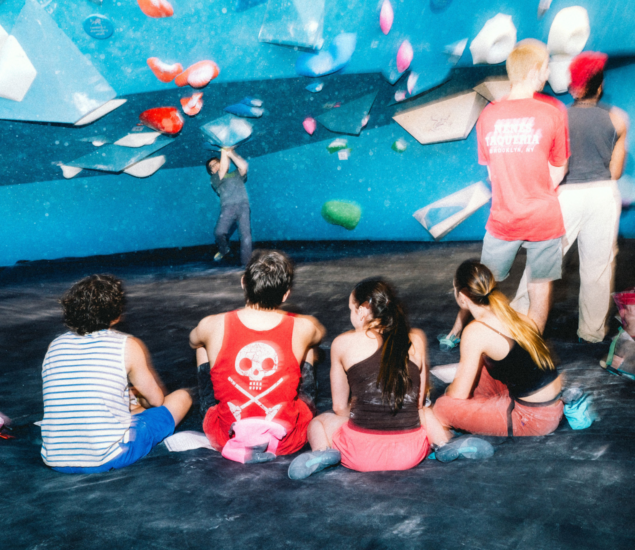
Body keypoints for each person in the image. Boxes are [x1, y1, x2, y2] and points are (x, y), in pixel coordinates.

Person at [441, 40, 570, 350]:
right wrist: (534, 191)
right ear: (537, 70)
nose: (549, 71)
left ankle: (472, 341)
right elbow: (558, 172)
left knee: (482, 287)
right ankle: (530, 354)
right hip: (544, 217)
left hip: (504, 218)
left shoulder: (488, 115)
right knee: (539, 290)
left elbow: (491, 172)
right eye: (547, 66)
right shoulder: (553, 110)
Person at [511, 51, 629, 343]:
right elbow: (615, 171)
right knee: (598, 268)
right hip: (602, 195)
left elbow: (548, 165)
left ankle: (517, 319)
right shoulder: (618, 118)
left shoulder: (555, 116)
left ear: (574, 87)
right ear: (600, 86)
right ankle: (591, 332)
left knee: (542, 262)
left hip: (565, 196)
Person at [288, 278, 450, 480]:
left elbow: (339, 407)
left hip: (360, 454)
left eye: (351, 309)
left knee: (318, 423)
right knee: (426, 412)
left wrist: (363, 415)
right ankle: (443, 445)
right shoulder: (414, 339)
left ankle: (322, 452)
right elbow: (417, 403)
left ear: (362, 311)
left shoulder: (342, 343)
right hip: (409, 453)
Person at [40, 275, 192, 473]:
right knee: (182, 397)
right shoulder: (126, 345)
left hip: (56, 458)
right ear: (116, 313)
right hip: (108, 455)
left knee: (125, 398)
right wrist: (138, 398)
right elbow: (156, 400)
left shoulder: (55, 345)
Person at [190, 249, 325, 462]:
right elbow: (319, 335)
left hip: (227, 436)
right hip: (287, 439)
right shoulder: (303, 326)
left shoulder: (211, 324)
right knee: (308, 346)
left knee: (201, 346)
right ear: (285, 294)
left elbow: (192, 339)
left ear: (244, 282)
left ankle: (214, 409)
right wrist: (288, 320)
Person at [433, 261, 563, 437]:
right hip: (552, 407)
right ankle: (482, 408)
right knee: (484, 367)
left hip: (532, 419)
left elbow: (458, 395)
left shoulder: (475, 331)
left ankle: (457, 435)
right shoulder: (512, 314)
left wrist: (449, 392)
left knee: (442, 407)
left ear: (462, 296)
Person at [207, 147, 252, 265]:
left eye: (216, 163)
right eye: (212, 167)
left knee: (245, 236)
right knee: (219, 232)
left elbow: (243, 166)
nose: (215, 167)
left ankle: (246, 264)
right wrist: (223, 150)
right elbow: (223, 168)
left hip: (243, 206)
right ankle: (224, 250)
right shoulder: (214, 178)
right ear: (211, 171)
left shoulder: (235, 174)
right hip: (228, 208)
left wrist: (230, 152)